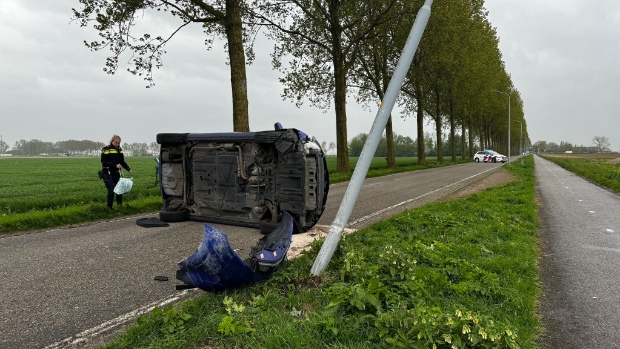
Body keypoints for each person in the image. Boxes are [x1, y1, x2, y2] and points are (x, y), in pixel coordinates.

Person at [101, 135, 132, 210]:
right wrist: (115, 165)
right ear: (112, 141)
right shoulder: (106, 149)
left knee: (119, 188)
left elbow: (122, 161)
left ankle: (119, 206)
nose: (117, 144)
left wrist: (128, 168)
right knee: (111, 189)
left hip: (116, 172)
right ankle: (109, 207)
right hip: (107, 172)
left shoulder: (119, 149)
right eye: (116, 143)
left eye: (119, 143)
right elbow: (104, 162)